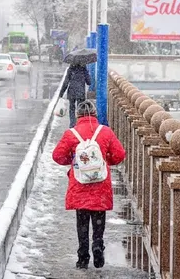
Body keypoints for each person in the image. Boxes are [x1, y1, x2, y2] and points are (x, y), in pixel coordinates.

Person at [52, 100, 126, 270]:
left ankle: (83, 256)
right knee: (98, 218)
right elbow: (119, 154)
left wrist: (72, 162)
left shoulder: (71, 133)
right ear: (94, 114)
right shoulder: (105, 132)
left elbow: (57, 156)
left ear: (78, 114)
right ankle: (98, 245)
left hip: (80, 184)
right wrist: (106, 160)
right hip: (100, 183)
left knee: (82, 220)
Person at [59, 63, 91, 128]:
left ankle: (72, 124)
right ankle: (80, 124)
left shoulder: (70, 69)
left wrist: (61, 93)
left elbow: (66, 82)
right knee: (80, 109)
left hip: (72, 92)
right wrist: (87, 74)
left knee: (72, 108)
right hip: (80, 92)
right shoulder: (84, 69)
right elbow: (89, 82)